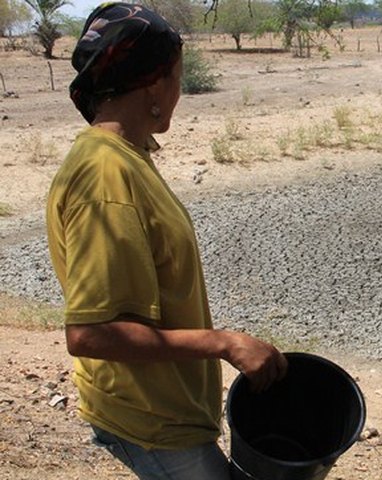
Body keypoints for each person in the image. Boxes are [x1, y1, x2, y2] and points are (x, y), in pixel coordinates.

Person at [45, 3, 288, 479]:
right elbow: (90, 332)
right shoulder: (104, 176)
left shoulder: (127, 157)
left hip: (165, 408)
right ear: (155, 83)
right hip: (147, 417)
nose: (180, 91)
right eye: (176, 76)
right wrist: (224, 344)